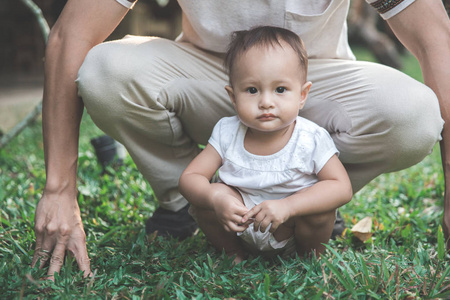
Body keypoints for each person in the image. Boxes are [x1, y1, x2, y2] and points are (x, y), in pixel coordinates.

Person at [32, 0, 450, 279]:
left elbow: (436, 39)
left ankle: (309, 202)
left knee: (414, 114)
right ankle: (186, 205)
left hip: (314, 77)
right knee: (106, 70)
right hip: (207, 72)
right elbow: (72, 35)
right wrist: (58, 189)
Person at [178, 26, 353, 263]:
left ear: (302, 95)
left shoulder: (310, 137)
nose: (266, 102)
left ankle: (308, 259)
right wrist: (215, 198)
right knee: (208, 198)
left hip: (291, 227)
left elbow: (341, 187)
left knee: (321, 211)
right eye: (252, 90)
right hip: (239, 224)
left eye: (280, 90)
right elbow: (190, 177)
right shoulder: (227, 131)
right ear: (233, 96)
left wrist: (289, 207)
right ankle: (232, 253)